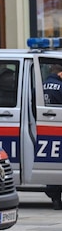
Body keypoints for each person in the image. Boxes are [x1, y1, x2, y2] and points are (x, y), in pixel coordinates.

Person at [43, 64, 62, 209]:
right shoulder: (60, 86)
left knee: (52, 160)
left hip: (45, 127)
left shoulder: (41, 84)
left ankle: (55, 196)